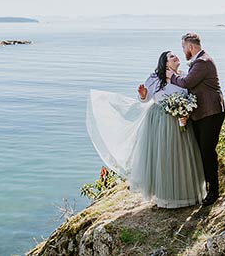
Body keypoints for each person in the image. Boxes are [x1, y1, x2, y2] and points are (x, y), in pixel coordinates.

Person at [86, 51, 206, 208]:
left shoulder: (184, 76)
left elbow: (190, 97)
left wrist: (187, 113)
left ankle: (186, 195)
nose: (176, 57)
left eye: (176, 55)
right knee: (164, 157)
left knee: (182, 156)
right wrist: (142, 95)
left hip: (181, 120)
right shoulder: (155, 78)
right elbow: (145, 99)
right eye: (171, 56)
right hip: (161, 121)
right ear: (165, 62)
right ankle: (166, 197)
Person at [166, 32, 225, 206]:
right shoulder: (198, 61)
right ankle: (208, 188)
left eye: (183, 47)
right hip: (202, 114)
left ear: (190, 47)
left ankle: (214, 192)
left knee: (207, 152)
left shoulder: (202, 62)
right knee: (203, 152)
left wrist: (171, 76)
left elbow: (186, 83)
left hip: (211, 113)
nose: (183, 51)